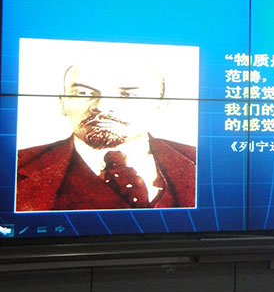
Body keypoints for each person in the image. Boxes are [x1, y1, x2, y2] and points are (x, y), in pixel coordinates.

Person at [16, 58, 196, 211]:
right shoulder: (15, 166)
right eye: (83, 93)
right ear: (62, 103)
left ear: (161, 105)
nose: (102, 107)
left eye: (128, 95)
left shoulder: (200, 161)